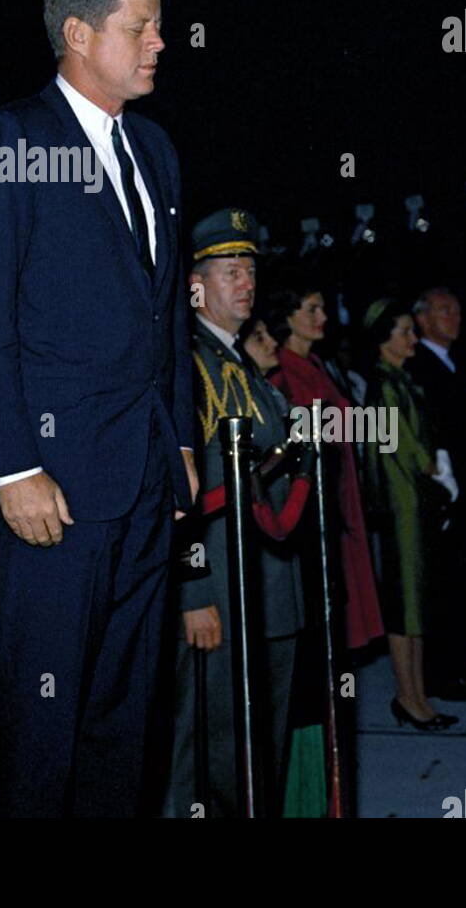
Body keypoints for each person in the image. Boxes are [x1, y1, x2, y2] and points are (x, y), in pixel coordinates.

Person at [0, 0, 196, 818]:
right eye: (141, 28)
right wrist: (12, 466)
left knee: (124, 712)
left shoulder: (155, 151)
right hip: (52, 482)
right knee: (43, 716)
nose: (161, 42)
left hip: (142, 476)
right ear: (79, 33)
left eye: (159, 25)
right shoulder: (11, 138)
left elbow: (164, 320)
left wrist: (183, 441)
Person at [162, 209, 313, 817]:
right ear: (195, 285)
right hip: (220, 587)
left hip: (265, 582)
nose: (244, 282)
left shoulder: (240, 361)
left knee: (256, 740)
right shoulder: (184, 363)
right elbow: (181, 488)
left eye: (249, 269)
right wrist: (193, 589)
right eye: (229, 270)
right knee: (210, 745)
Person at [265, 285, 382, 816]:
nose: (322, 317)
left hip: (339, 510)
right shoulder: (284, 369)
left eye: (322, 307)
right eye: (309, 309)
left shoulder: (318, 364)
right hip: (309, 521)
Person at [361, 299, 456, 732]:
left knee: (417, 598)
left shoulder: (400, 379)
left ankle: (417, 693)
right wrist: (436, 468)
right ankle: (407, 694)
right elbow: (405, 446)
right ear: (383, 340)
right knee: (404, 602)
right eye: (403, 332)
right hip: (401, 506)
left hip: (414, 503)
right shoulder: (383, 386)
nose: (412, 338)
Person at [409, 288, 466, 702]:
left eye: (458, 308)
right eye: (445, 309)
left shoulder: (456, 363)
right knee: (447, 590)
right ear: (423, 319)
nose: (455, 316)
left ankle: (459, 669)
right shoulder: (418, 366)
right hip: (448, 498)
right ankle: (439, 676)